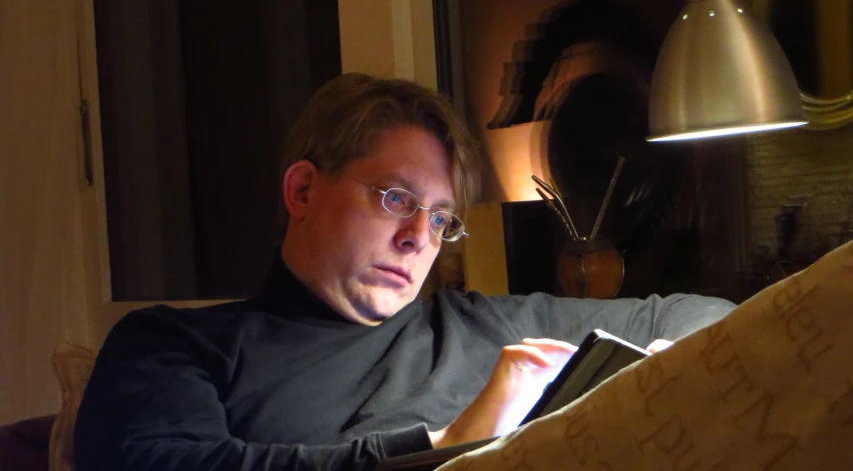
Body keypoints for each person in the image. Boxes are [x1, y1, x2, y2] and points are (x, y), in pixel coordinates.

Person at [74, 73, 735, 471]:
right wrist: (443, 445)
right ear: (303, 191)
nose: (420, 237)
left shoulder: (489, 324)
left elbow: (700, 317)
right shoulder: (172, 346)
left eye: (442, 218)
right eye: (394, 198)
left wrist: (669, 371)